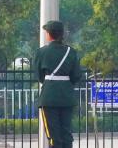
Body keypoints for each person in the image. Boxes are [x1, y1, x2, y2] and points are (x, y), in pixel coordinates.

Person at [35, 20, 83, 148]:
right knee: (66, 134)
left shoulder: (41, 52)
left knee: (53, 136)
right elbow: (76, 75)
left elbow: (39, 76)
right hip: (66, 97)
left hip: (49, 97)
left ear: (49, 34)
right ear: (62, 34)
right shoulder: (71, 52)